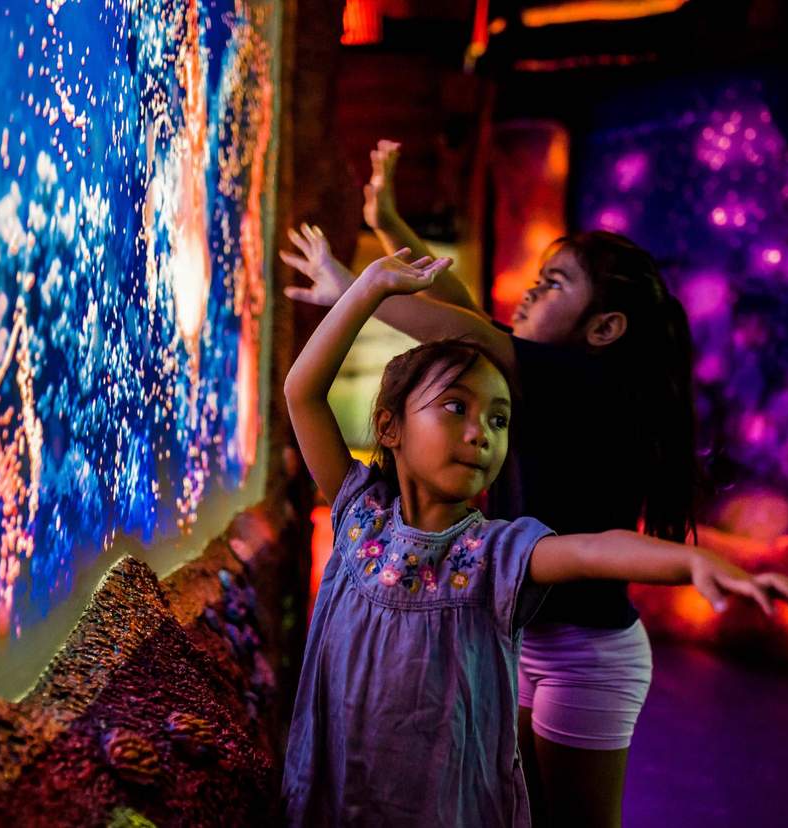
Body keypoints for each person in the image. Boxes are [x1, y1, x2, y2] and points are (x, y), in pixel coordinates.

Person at [280, 139, 761, 826]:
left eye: (557, 281)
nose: (534, 287)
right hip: (522, 632)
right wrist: (390, 228)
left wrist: (352, 290)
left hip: (583, 652)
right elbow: (462, 306)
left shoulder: (592, 382)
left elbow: (459, 326)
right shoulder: (540, 383)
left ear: (605, 327)